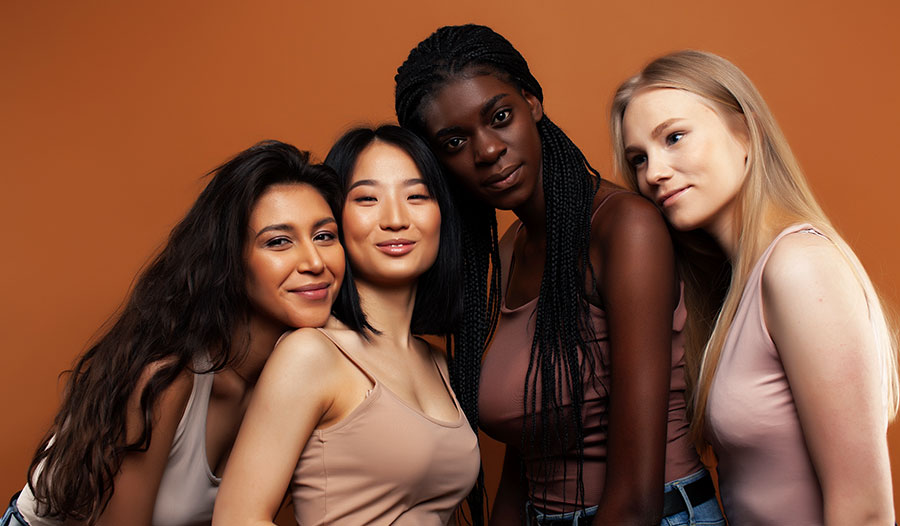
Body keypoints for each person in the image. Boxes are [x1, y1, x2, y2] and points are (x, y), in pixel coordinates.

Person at [395, 24, 723, 526]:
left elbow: (635, 498)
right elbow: (526, 458)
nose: (486, 151)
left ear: (533, 102)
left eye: (499, 117)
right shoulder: (505, 255)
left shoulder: (624, 229)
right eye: (455, 141)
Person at [611, 49, 899, 524]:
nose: (653, 173)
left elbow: (866, 512)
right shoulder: (740, 285)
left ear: (745, 131)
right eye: (639, 158)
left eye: (675, 137)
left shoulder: (800, 268)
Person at [1, 141, 346, 526]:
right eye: (278, 241)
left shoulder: (310, 369)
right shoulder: (165, 378)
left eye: (325, 236)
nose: (315, 262)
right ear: (230, 259)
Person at [212, 125, 479, 526]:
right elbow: (238, 517)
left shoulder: (438, 363)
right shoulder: (311, 353)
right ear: (335, 220)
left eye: (417, 195)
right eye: (368, 198)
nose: (395, 219)